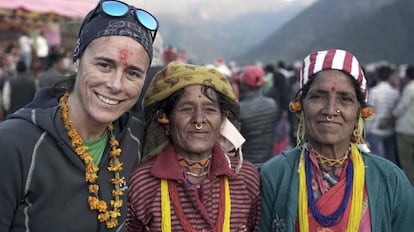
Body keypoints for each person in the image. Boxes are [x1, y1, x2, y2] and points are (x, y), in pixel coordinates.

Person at [0, 0, 158, 231]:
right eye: (104, 65)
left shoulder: (137, 140)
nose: (116, 85)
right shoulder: (13, 144)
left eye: (132, 73)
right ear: (77, 60)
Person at [259, 49, 414, 231]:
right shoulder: (274, 175)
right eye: (318, 96)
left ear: (359, 111)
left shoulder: (391, 180)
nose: (330, 110)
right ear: (301, 106)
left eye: (345, 99)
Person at [126, 62, 260, 231]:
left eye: (210, 110)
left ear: (222, 120)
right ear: (165, 120)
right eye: (186, 109)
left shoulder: (245, 177)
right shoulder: (143, 183)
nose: (198, 120)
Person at [239, 65, 278, 168]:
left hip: (246, 165)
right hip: (269, 162)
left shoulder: (240, 109)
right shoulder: (272, 104)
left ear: (243, 84)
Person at [365, 65, 399, 164]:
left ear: (376, 76)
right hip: (389, 130)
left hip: (375, 130)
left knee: (378, 159)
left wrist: (366, 129)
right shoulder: (395, 93)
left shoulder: (374, 92)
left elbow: (369, 112)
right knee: (390, 158)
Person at [392, 65, 414, 185]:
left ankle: (410, 184)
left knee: (406, 161)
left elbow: (401, 108)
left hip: (406, 130)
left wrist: (390, 119)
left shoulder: (410, 89)